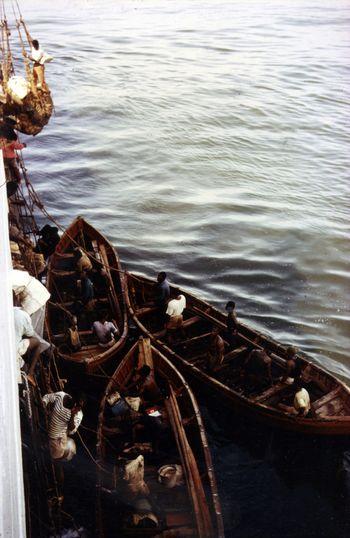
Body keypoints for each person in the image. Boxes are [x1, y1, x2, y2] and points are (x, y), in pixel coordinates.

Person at [13, 296, 42, 385]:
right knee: (37, 342)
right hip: (15, 349)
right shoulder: (23, 315)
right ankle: (30, 374)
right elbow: (30, 334)